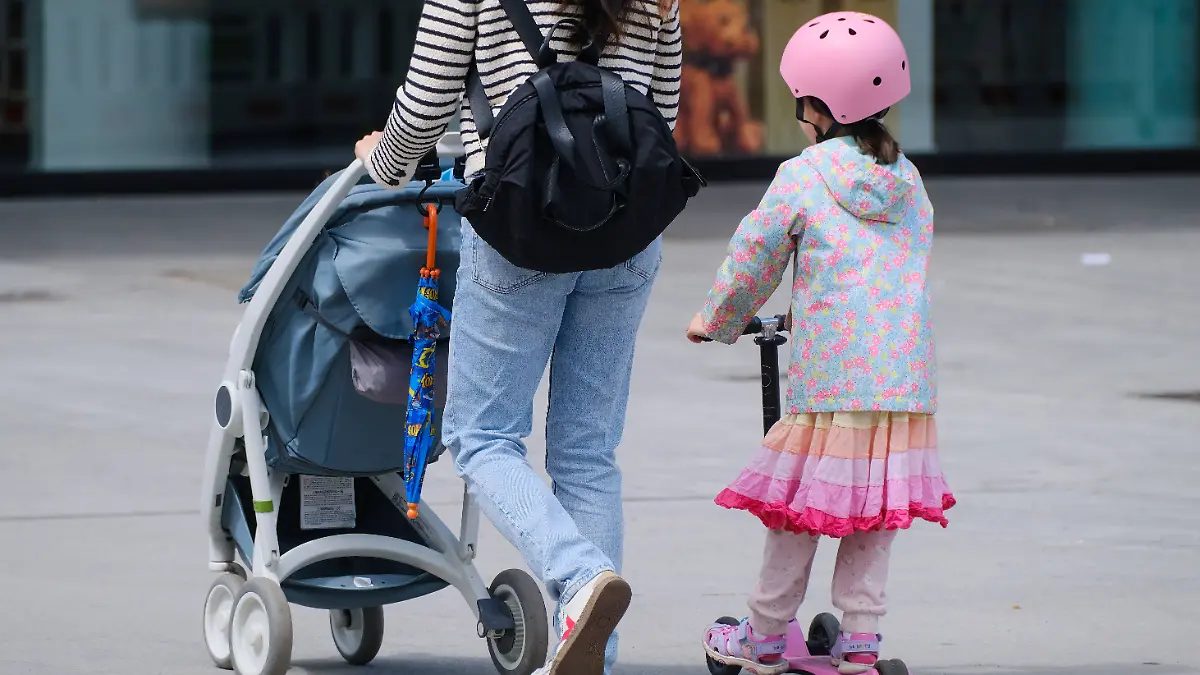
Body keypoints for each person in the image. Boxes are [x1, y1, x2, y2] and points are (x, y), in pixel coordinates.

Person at [352, 1, 682, 674]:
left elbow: (424, 107)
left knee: (481, 436)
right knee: (587, 451)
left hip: (521, 227)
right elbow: (662, 117)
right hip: (623, 232)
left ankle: (580, 574)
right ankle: (595, 655)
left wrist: (380, 163)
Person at [684, 12, 955, 675]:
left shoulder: (804, 174)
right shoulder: (907, 178)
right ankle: (861, 643)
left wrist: (717, 318)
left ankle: (763, 636)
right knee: (873, 516)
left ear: (817, 106)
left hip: (833, 381)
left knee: (797, 513)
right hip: (902, 385)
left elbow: (756, 254)